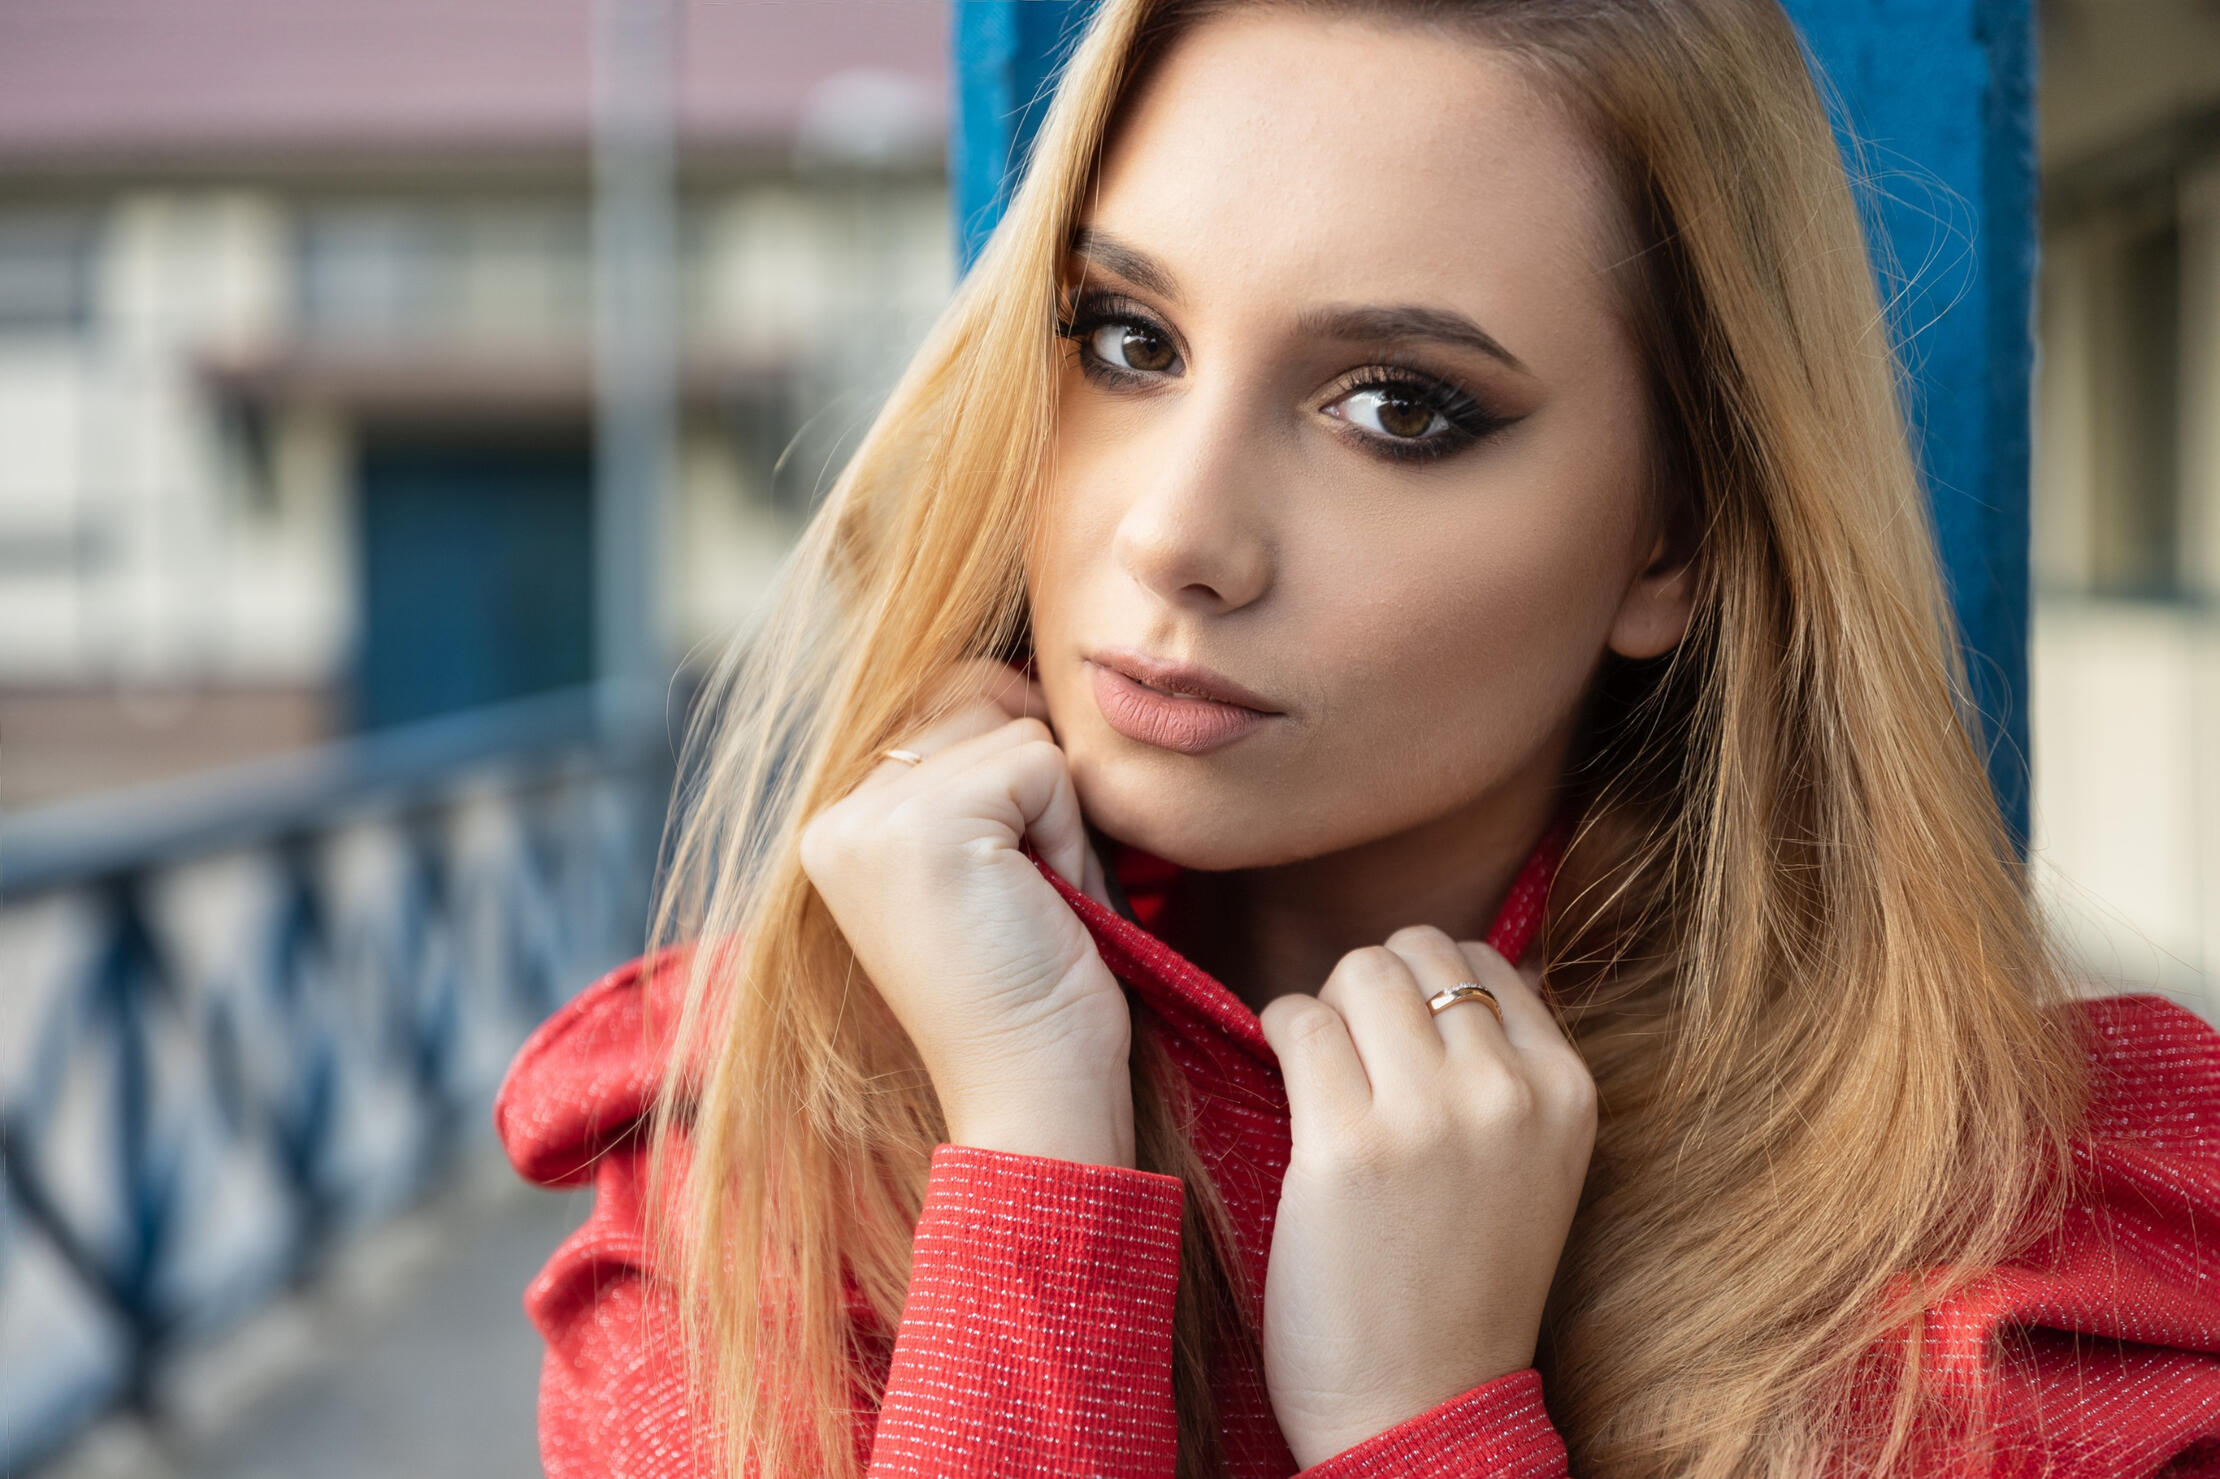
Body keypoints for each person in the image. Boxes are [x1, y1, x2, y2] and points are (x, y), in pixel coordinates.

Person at [495, 0, 2220, 1475]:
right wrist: (1029, 1146)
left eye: (1396, 405)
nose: (1176, 535)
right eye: (1128, 340)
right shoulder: (751, 1157)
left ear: (1674, 535)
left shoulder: (2022, 1257)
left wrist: (1423, 1420)